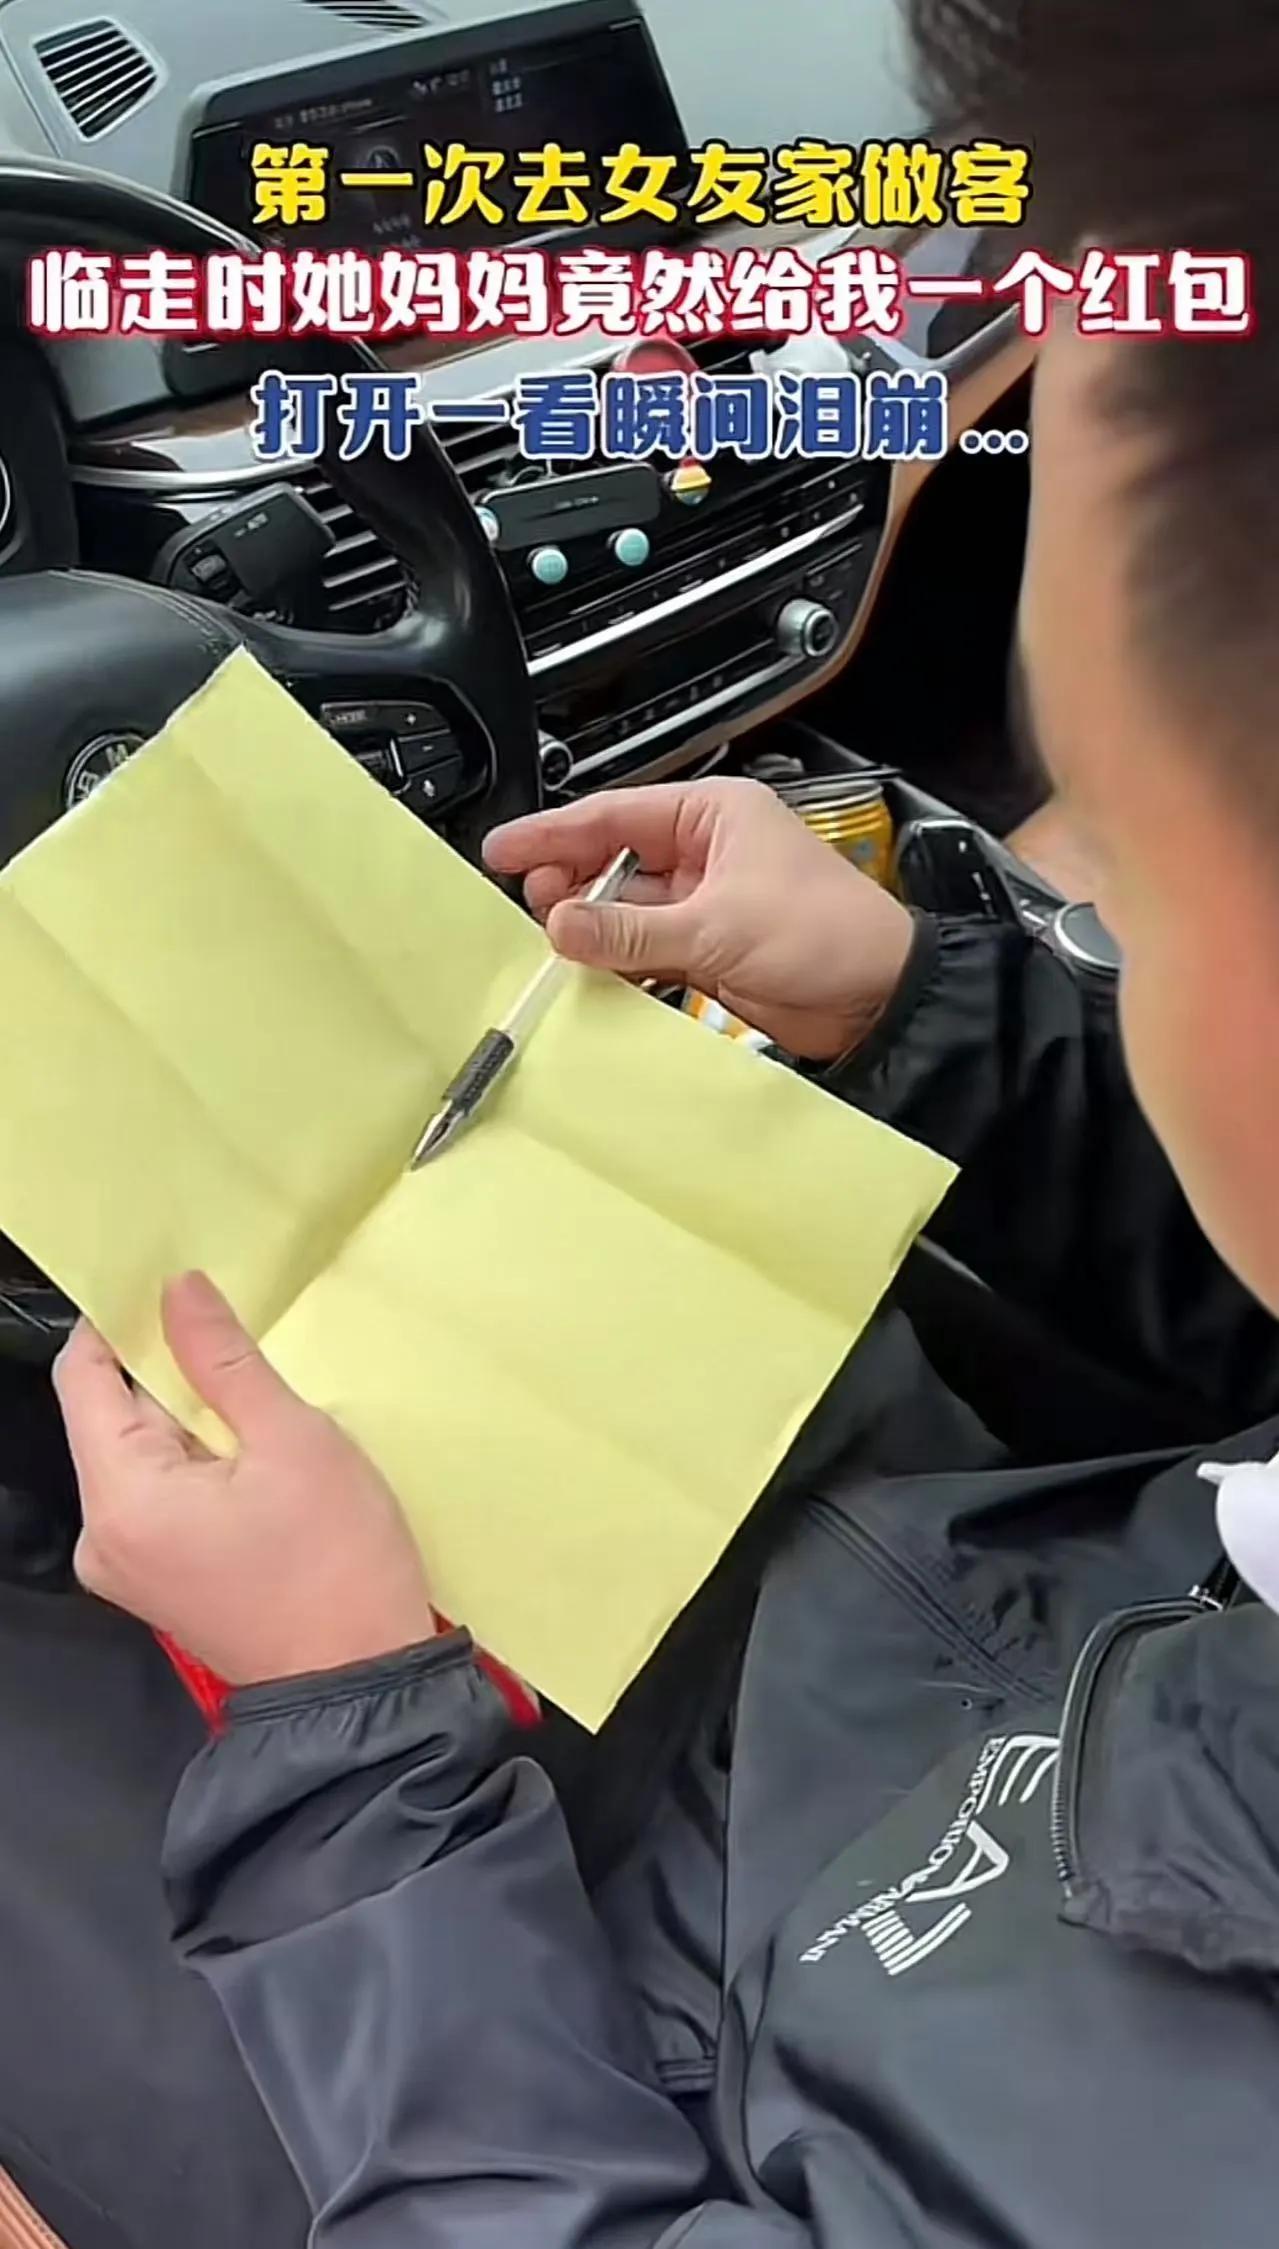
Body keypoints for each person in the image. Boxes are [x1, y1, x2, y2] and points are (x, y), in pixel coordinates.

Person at [41, 0, 1279, 2242]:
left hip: (562, 2012)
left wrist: (339, 1728)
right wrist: (929, 1006)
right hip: (978, 1619)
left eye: (1147, 888)